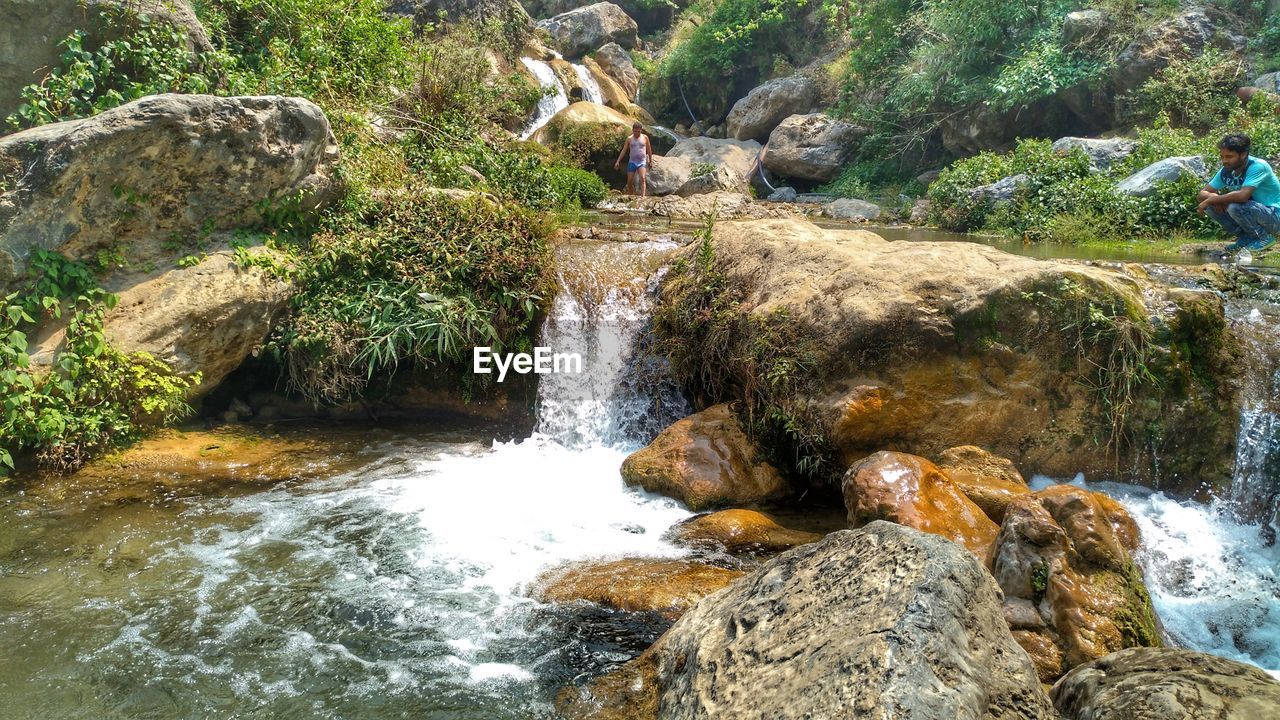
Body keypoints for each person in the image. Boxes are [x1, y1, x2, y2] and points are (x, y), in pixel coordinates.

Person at [1197, 133, 1280, 253]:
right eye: (1222, 157)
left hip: (1275, 216)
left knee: (1234, 206)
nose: (1224, 161)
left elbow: (1242, 196)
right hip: (1256, 214)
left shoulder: (1258, 166)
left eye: (1229, 157)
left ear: (1243, 154)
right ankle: (1245, 237)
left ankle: (1263, 238)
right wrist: (1214, 199)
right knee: (1210, 206)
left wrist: (1212, 199)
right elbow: (1202, 193)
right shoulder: (1227, 170)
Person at [614, 123, 652, 197]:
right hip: (632, 162)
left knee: (643, 178)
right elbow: (624, 150)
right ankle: (632, 196)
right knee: (629, 181)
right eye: (635, 131)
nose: (637, 133)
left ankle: (642, 197)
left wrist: (650, 160)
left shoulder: (645, 137)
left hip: (642, 161)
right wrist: (618, 161)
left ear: (641, 130)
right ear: (632, 130)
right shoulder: (629, 138)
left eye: (638, 131)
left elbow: (649, 149)